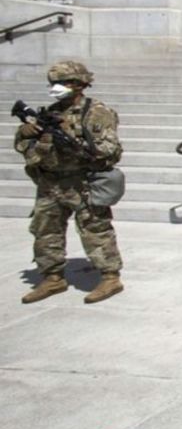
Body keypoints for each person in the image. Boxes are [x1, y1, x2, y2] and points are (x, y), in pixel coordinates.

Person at [14, 60, 124, 304]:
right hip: (50, 182)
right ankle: (53, 277)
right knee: (45, 231)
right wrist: (25, 134)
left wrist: (73, 138)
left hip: (82, 182)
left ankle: (109, 276)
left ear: (79, 84)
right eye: (54, 83)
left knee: (95, 229)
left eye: (62, 83)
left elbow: (110, 149)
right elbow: (26, 148)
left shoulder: (97, 112)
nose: (56, 87)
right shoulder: (49, 113)